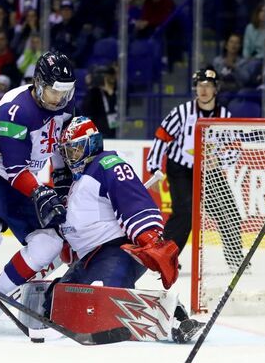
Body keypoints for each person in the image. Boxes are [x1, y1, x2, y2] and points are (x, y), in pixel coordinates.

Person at [47, 116, 202, 343]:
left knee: (103, 300)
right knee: (60, 300)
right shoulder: (80, 179)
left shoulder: (107, 164)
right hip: (91, 257)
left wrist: (150, 238)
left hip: (117, 251)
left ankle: (175, 317)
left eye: (76, 149)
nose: (72, 156)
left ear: (92, 143)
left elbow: (132, 198)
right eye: (68, 151)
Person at [0, 51, 76, 330]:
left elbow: (59, 155)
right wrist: (40, 192)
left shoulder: (63, 108)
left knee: (51, 242)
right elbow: (14, 170)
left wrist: (62, 190)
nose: (60, 99)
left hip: (22, 183)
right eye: (54, 92)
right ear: (38, 84)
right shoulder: (16, 108)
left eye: (66, 92)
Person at [146, 68, 243, 272]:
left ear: (216, 89)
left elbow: (235, 147)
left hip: (209, 170)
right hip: (181, 169)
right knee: (184, 213)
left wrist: (221, 162)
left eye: (208, 86)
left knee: (229, 210)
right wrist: (154, 169)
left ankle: (236, 260)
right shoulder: (182, 113)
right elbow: (161, 137)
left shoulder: (225, 116)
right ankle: (166, 257)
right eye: (200, 86)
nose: (204, 90)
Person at [80, 64, 118, 139]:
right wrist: (90, 87)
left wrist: (110, 93)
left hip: (115, 132)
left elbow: (119, 109)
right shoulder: (94, 92)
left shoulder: (117, 91)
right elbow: (86, 110)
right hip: (99, 131)